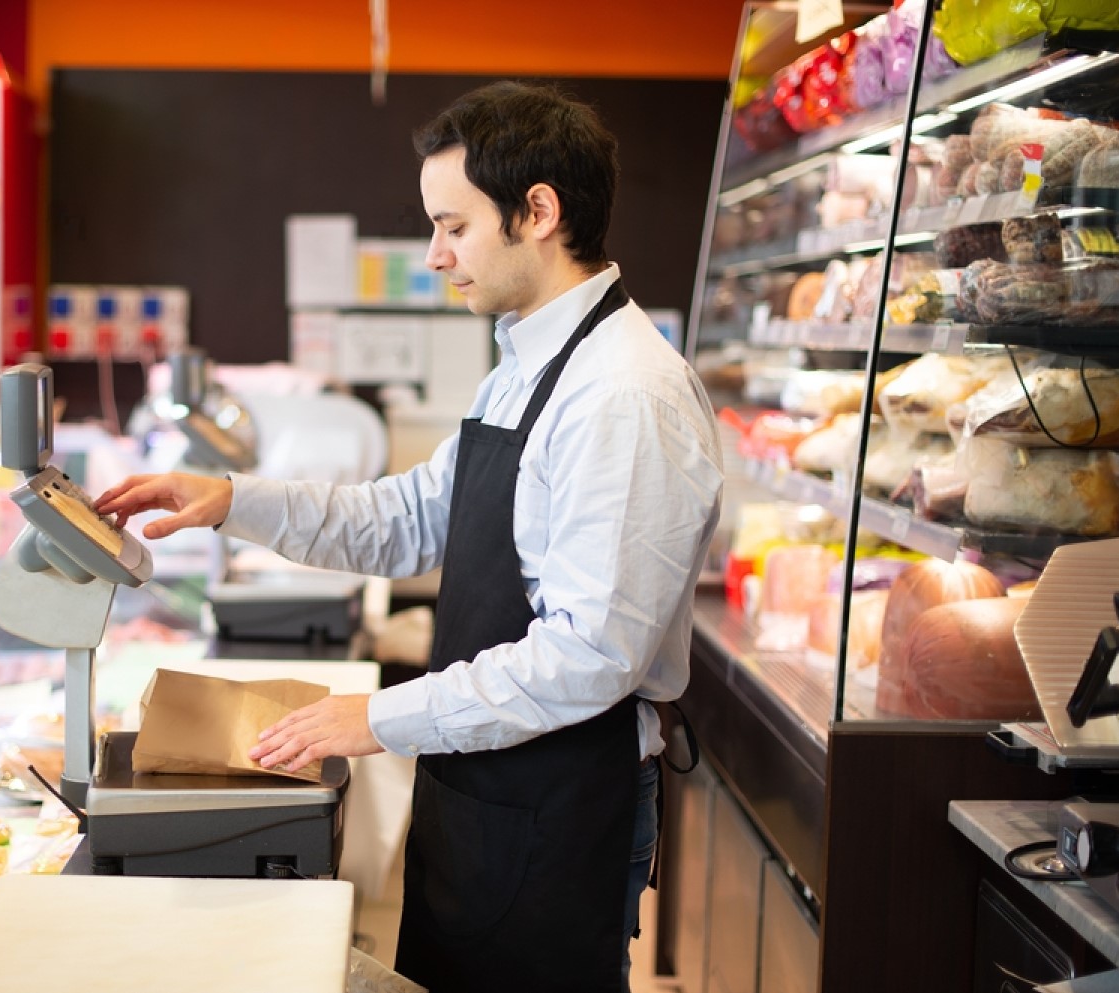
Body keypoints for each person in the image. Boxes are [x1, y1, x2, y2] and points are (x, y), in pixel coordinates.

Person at [94, 80, 723, 993]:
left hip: (555, 803)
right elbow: (407, 520)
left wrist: (376, 717)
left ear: (538, 212)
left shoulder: (624, 394)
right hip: (486, 786)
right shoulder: (523, 365)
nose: (434, 255)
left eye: (454, 226)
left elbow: (593, 653)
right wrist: (234, 498)